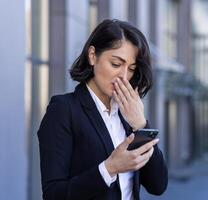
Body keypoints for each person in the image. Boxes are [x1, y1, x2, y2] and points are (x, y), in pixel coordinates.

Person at [37, 19, 168, 200]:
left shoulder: (128, 114)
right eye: (115, 64)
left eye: (131, 68)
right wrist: (109, 168)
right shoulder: (64, 110)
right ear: (92, 55)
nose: (123, 76)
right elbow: (53, 194)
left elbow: (158, 185)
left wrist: (141, 125)